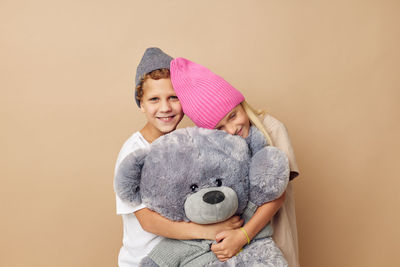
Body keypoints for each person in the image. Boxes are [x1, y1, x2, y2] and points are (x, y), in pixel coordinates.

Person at [114, 48, 243, 267]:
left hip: (187, 258)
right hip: (144, 260)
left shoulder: (188, 143)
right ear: (141, 104)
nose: (165, 108)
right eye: (154, 99)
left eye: (173, 97)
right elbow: (148, 222)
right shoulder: (134, 152)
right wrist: (207, 232)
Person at [170, 57, 300, 267]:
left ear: (240, 104)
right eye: (219, 128)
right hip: (233, 250)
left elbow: (277, 195)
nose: (231, 130)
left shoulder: (272, 129)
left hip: (272, 234)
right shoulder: (215, 147)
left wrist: (243, 236)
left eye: (232, 116)